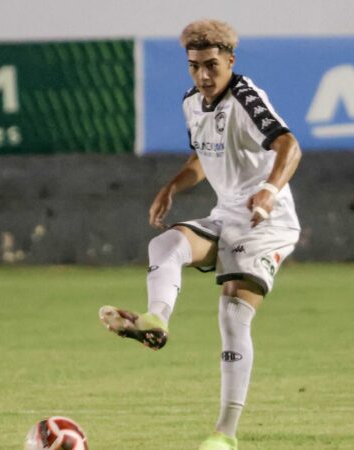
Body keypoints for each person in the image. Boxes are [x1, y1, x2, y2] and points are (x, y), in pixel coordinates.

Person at [98, 19, 302, 450]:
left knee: (232, 316)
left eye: (212, 65)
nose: (204, 76)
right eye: (195, 66)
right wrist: (171, 187)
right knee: (165, 243)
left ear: (230, 60)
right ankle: (156, 320)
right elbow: (201, 158)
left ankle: (225, 435)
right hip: (227, 214)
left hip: (269, 223)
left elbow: (289, 146)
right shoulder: (192, 102)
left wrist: (268, 190)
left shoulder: (246, 98)